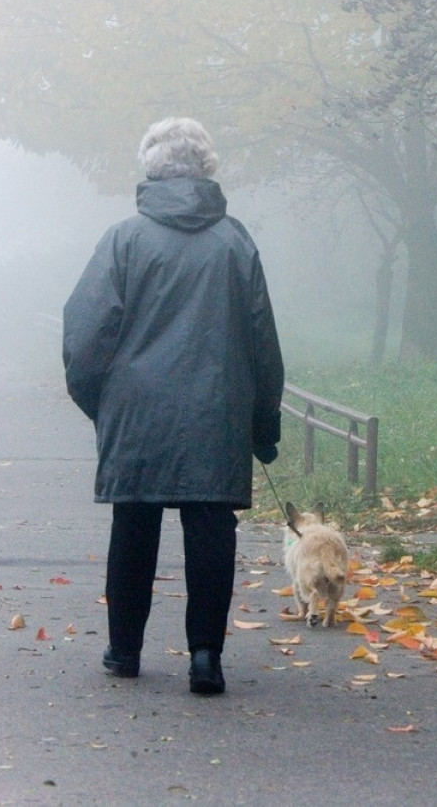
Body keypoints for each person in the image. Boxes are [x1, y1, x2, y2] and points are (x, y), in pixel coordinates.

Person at [62, 117, 285, 696]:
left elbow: (84, 336)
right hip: (216, 412)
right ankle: (206, 658)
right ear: (206, 168)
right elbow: (262, 340)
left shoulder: (123, 239)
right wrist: (263, 425)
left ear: (151, 168)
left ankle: (125, 651)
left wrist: (101, 404)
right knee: (211, 532)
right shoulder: (235, 242)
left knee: (133, 527)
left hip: (137, 413)